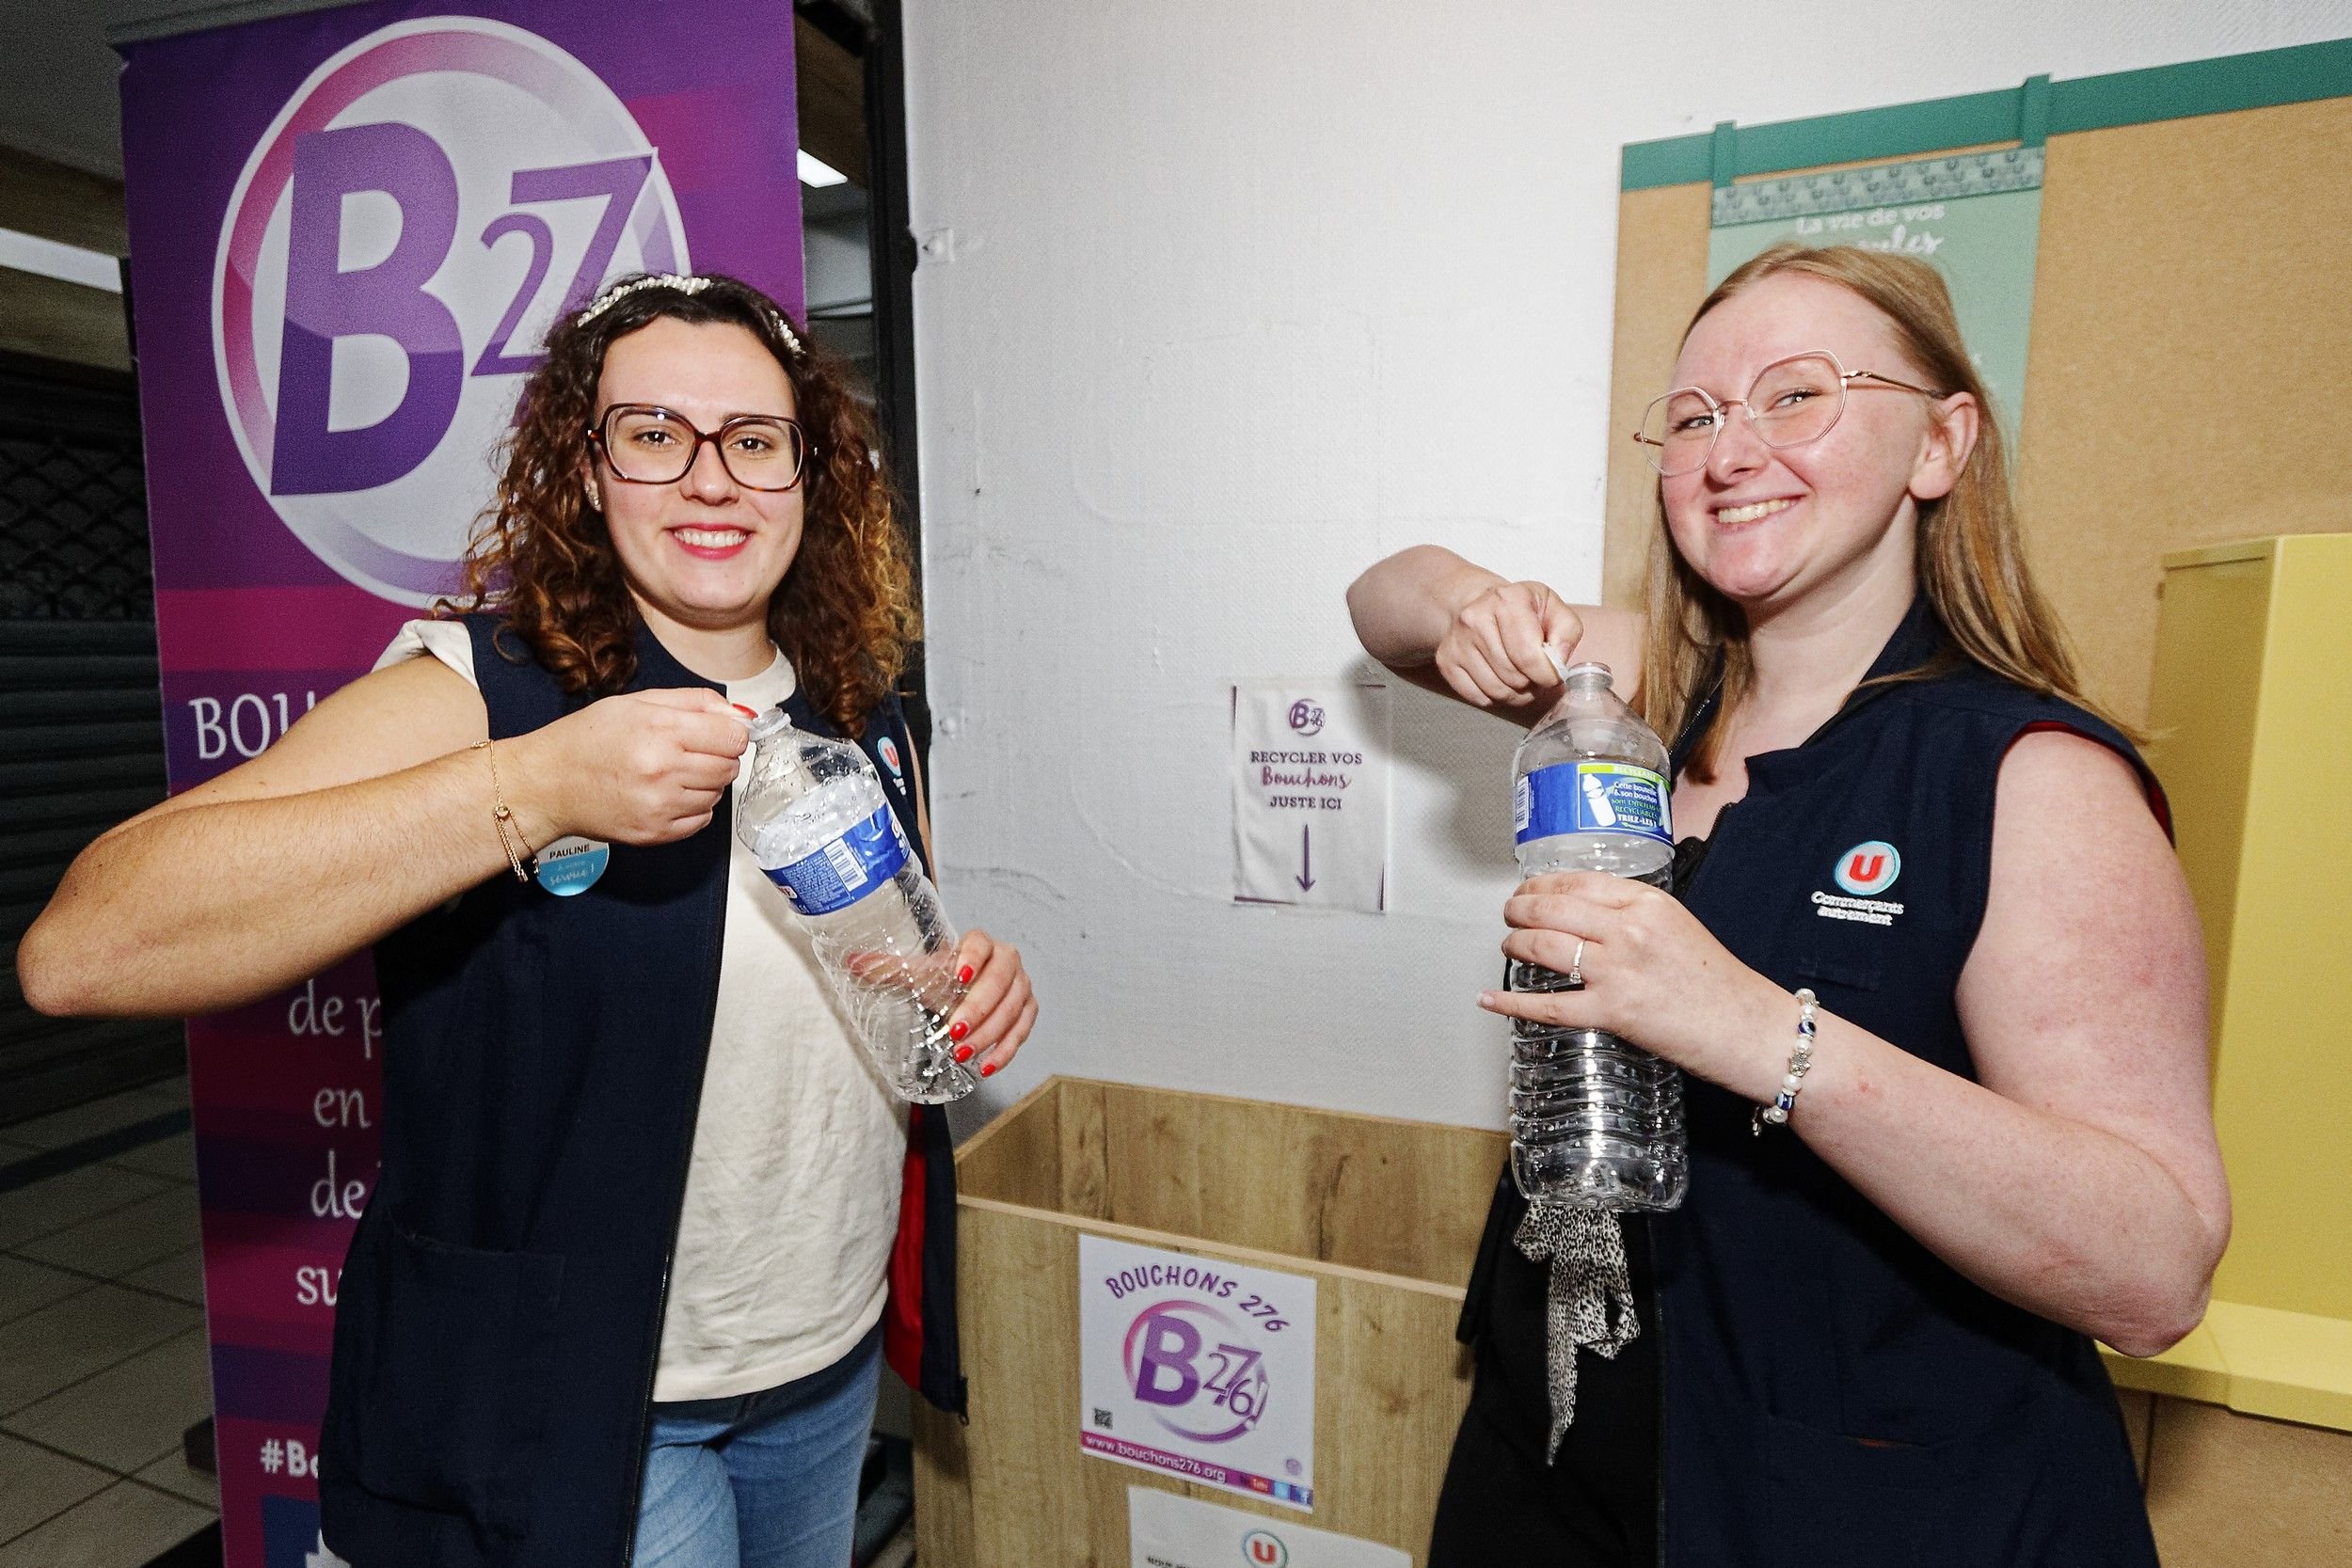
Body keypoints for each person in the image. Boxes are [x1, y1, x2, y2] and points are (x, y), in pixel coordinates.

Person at [18, 273, 1037, 1568]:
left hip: (821, 1363)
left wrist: (963, 980)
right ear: (587, 468)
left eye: (756, 441)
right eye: (654, 434)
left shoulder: (864, 705)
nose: (710, 479)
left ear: (810, 477)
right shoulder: (485, 685)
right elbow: (85, 948)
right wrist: (533, 784)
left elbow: (895, 963)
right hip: (579, 1392)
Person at [1346, 244, 2227, 1567]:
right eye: (1693, 417)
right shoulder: (1649, 693)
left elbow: (2156, 1269)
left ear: (1942, 443)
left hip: (1865, 1503)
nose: (1730, 448)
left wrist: (1759, 1032)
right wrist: (1472, 602)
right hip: (1562, 1457)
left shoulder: (2031, 779)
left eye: (1796, 395)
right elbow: (1383, 605)